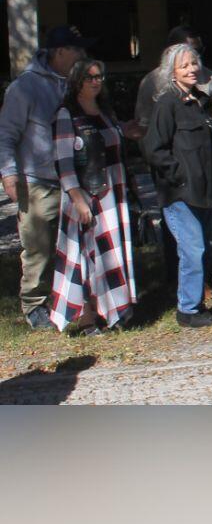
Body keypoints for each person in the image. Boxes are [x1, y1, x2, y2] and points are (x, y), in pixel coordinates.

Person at [0, 26, 92, 329]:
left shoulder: (77, 85)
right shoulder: (25, 87)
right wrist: (9, 174)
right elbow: (6, 134)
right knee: (38, 246)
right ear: (60, 52)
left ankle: (74, 299)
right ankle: (35, 305)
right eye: (76, 51)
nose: (82, 56)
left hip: (75, 181)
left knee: (76, 246)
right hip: (37, 180)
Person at [48, 59, 138, 333]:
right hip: (84, 193)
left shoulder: (105, 111)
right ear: (77, 81)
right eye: (90, 77)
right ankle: (86, 317)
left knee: (110, 253)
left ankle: (112, 311)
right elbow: (63, 161)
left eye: (99, 76)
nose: (96, 81)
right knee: (84, 254)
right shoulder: (66, 114)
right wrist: (76, 197)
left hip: (112, 190)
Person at [142, 43, 212, 327]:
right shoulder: (167, 103)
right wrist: (178, 176)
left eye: (194, 63)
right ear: (172, 72)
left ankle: (197, 303)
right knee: (192, 249)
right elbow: (154, 149)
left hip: (205, 191)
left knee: (204, 247)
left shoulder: (201, 101)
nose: (192, 69)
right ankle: (187, 309)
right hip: (181, 193)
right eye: (184, 66)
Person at [133, 25, 212, 136]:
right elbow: (144, 125)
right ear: (172, 51)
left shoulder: (211, 79)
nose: (197, 56)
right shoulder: (152, 82)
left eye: (200, 50)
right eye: (192, 50)